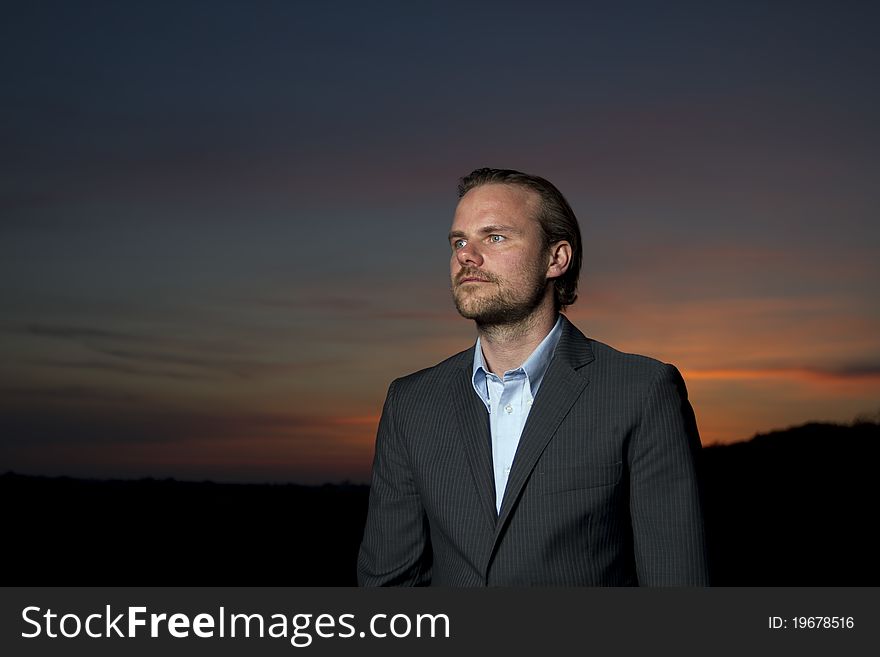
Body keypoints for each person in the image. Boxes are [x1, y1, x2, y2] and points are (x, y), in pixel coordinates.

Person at [357, 167, 709, 586]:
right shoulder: (410, 402)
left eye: (495, 237)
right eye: (458, 241)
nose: (467, 254)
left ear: (556, 258)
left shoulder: (641, 391)